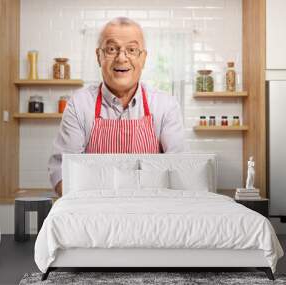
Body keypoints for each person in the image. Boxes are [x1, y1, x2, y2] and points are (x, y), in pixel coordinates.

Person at [48, 17, 186, 196]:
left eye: (132, 50)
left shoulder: (165, 105)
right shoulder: (79, 105)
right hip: (93, 212)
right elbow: (62, 171)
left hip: (150, 212)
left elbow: (178, 169)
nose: (122, 58)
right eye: (112, 49)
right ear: (99, 56)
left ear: (143, 58)